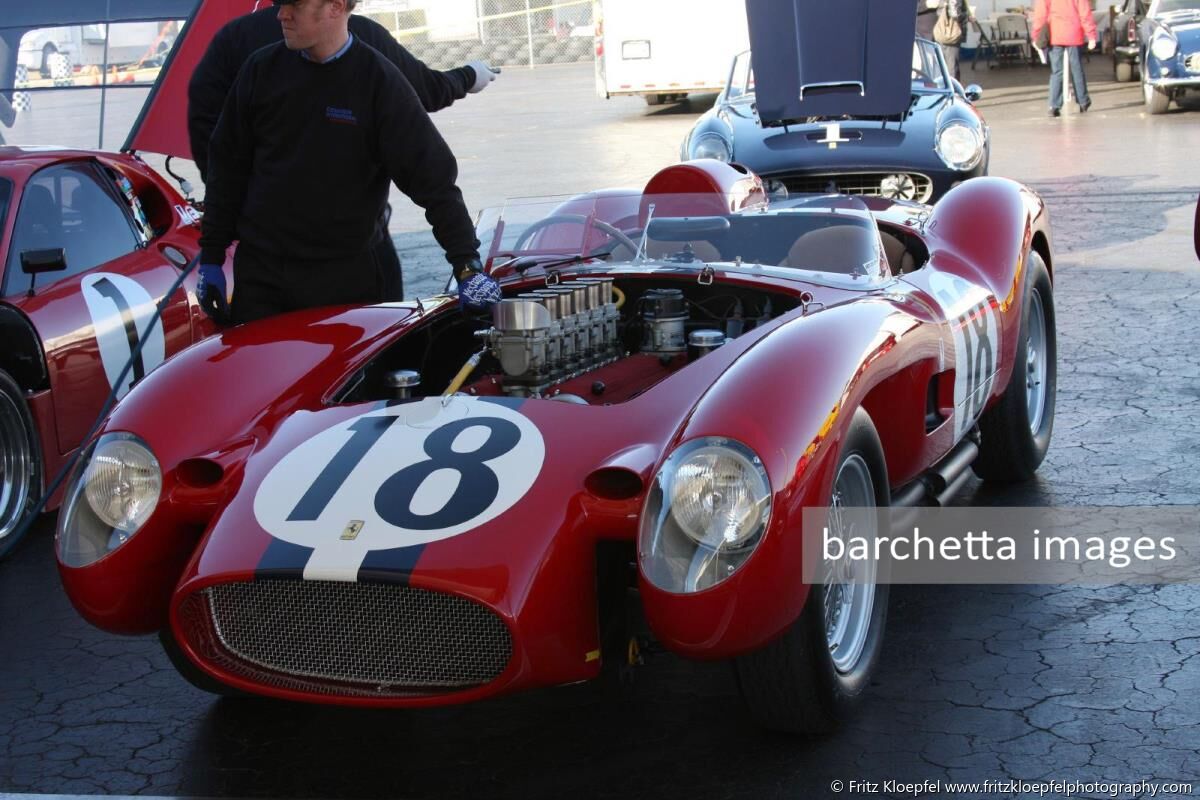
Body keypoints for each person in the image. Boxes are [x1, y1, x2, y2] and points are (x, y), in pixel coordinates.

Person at [196, 0, 500, 325]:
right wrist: (211, 257)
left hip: (346, 280)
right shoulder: (260, 70)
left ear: (336, 7)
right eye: (280, 3)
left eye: (295, 5)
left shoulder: (378, 81)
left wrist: (467, 267)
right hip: (262, 277)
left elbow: (433, 181)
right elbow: (226, 168)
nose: (281, 14)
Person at [1032, 0, 1097, 116]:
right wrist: (1091, 35)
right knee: (1077, 69)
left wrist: (1036, 35)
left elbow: (1041, 14)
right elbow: (1085, 13)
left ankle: (1054, 106)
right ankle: (1083, 102)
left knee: (1057, 71)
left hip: (1055, 33)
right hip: (1074, 33)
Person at [931, 0, 971, 81]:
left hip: (941, 33)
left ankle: (944, 86)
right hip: (951, 34)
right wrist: (967, 16)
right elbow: (955, 14)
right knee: (952, 67)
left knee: (942, 66)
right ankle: (952, 87)